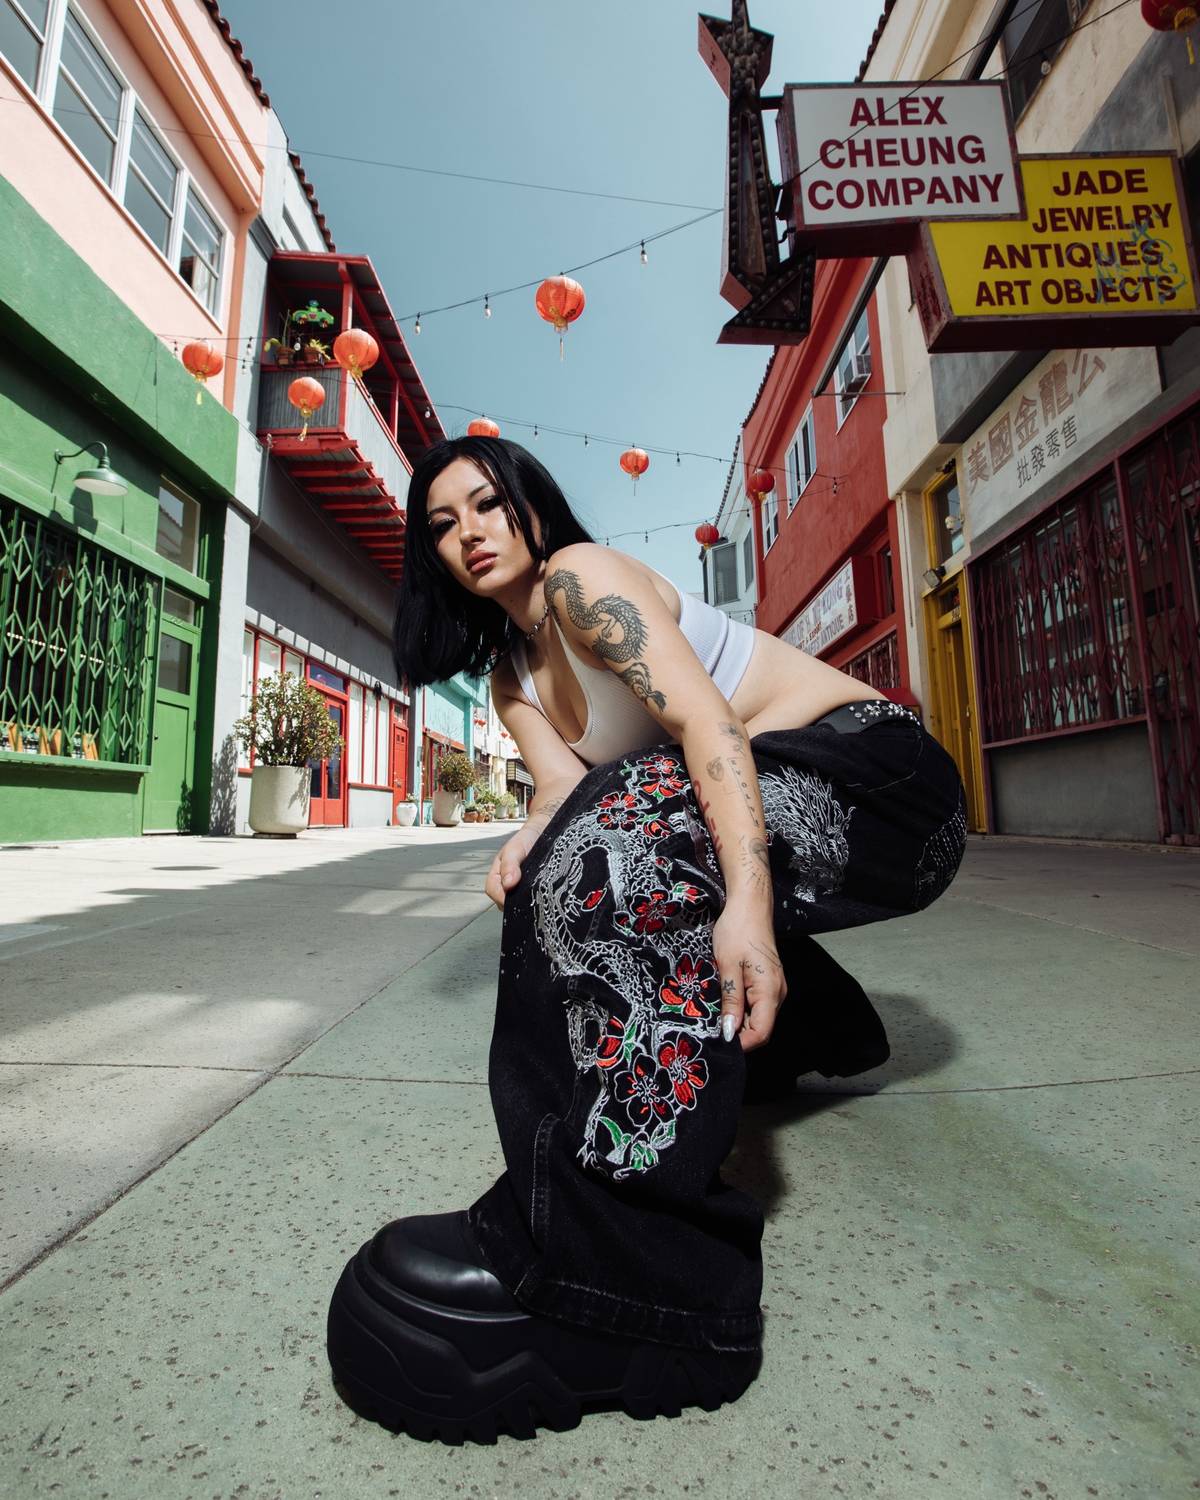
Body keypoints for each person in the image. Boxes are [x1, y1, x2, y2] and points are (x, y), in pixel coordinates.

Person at [327, 436, 966, 1443]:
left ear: (533, 506)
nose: (470, 534)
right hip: (778, 798)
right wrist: (526, 849)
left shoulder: (584, 581)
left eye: (488, 504)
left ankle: (640, 1288)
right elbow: (561, 797)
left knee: (620, 839)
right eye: (444, 525)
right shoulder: (510, 679)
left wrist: (746, 906)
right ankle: (799, 1033)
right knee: (572, 855)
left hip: (888, 784)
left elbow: (708, 730)